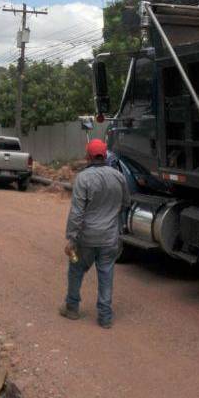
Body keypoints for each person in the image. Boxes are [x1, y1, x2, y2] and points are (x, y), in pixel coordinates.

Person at [60, 139, 130, 329]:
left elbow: (77, 213)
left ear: (88, 156)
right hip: (109, 238)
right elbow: (125, 204)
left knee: (76, 269)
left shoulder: (83, 178)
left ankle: (72, 308)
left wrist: (71, 239)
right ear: (105, 155)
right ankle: (105, 317)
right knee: (106, 273)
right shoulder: (119, 177)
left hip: (86, 238)